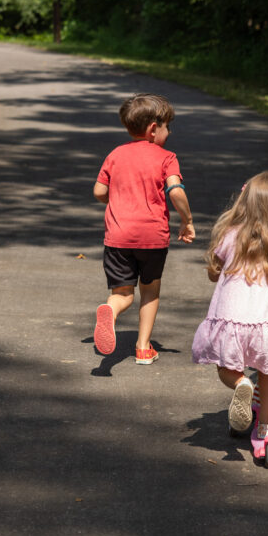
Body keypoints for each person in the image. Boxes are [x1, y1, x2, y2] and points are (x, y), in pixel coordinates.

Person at [191, 171, 268, 443]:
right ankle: (266, 427)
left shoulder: (231, 235)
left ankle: (241, 383)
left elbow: (214, 272)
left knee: (226, 366)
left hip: (231, 321)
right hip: (267, 323)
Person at [93, 92, 195, 364]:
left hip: (117, 237)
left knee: (123, 294)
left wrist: (114, 198)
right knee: (150, 291)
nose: (169, 132)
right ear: (153, 129)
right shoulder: (167, 157)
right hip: (152, 239)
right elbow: (175, 191)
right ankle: (142, 347)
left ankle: (110, 312)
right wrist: (187, 221)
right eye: (167, 127)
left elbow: (99, 190)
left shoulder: (115, 154)